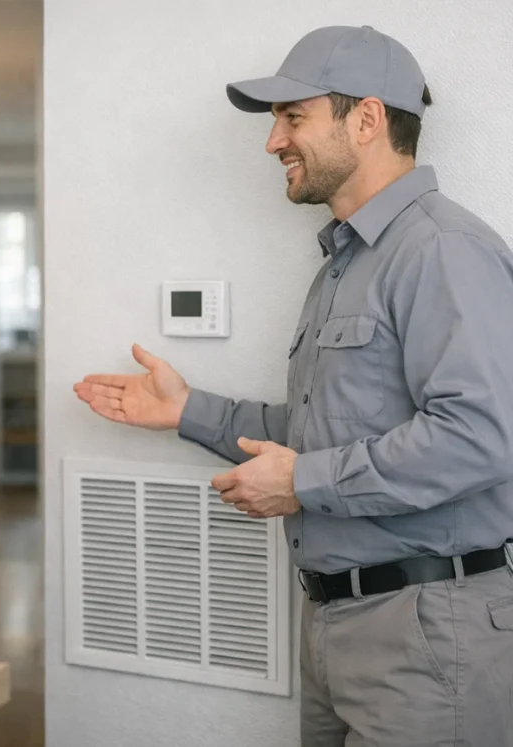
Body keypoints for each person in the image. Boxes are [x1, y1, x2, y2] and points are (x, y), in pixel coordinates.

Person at [74, 25, 513, 747]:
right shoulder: (345, 263)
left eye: (293, 116)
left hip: (431, 635)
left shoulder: (441, 250)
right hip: (337, 626)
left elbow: (481, 437)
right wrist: (188, 411)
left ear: (366, 119)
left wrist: (305, 481)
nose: (273, 141)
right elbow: (325, 430)